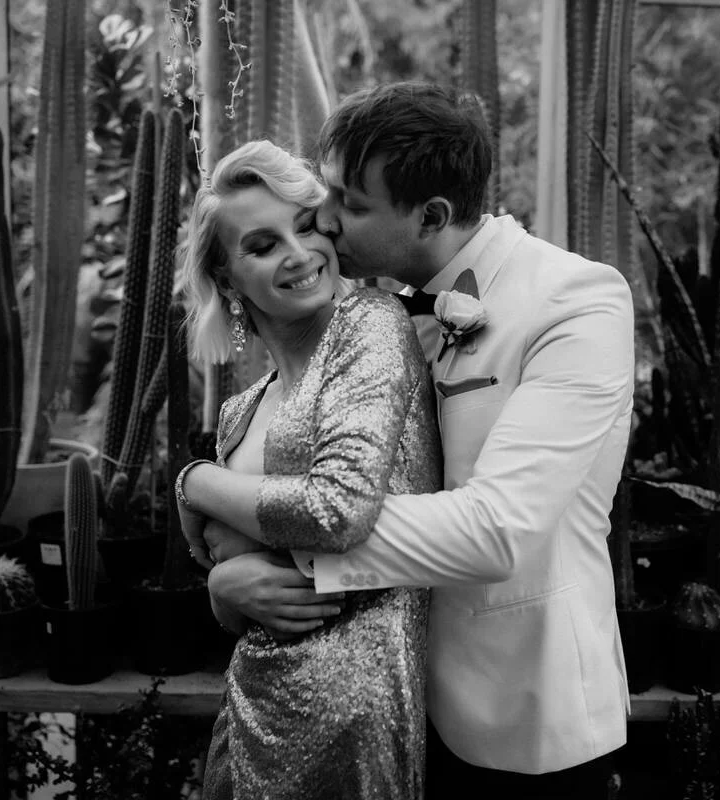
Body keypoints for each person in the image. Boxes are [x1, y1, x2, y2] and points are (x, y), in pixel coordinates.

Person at [203, 81, 636, 799]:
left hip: (524, 721)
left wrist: (262, 537)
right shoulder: (377, 313)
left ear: (431, 215)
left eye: (350, 204)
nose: (324, 220)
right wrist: (226, 582)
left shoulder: (574, 301)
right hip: (392, 709)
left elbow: (496, 530)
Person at [175, 139, 442, 799]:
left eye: (306, 226)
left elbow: (336, 512)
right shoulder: (239, 412)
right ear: (228, 279)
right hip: (248, 710)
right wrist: (223, 591)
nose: (299, 254)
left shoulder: (371, 325)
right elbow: (239, 571)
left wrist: (194, 482)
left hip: (353, 716)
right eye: (263, 246)